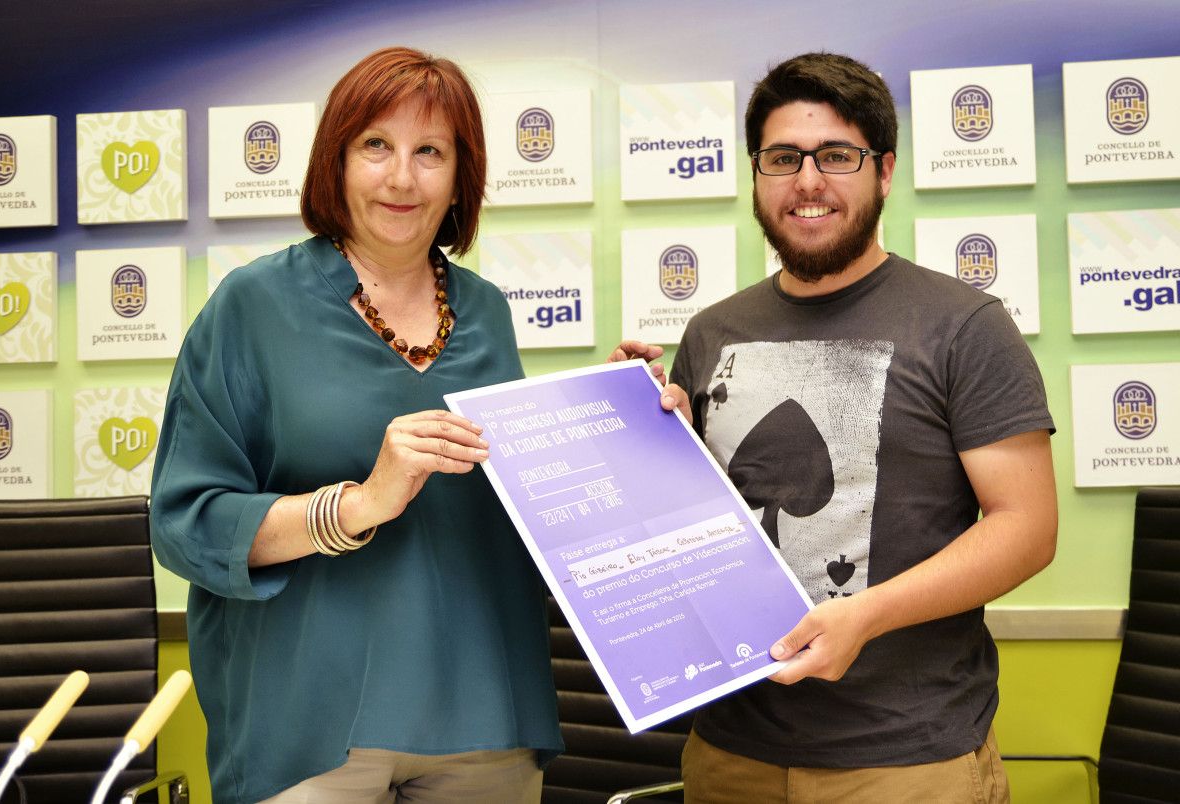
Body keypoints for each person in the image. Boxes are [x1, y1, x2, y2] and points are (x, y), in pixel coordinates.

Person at [619, 53, 1057, 803]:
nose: (808, 181)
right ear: (756, 175)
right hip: (731, 751)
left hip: (907, 758)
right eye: (784, 158)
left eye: (838, 156)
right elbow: (692, 537)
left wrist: (868, 614)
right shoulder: (709, 332)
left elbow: (1027, 527)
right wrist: (648, 441)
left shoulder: (965, 327)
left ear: (884, 171)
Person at [150, 47, 562, 804]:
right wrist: (358, 505)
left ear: (459, 177)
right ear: (335, 161)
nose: (401, 177)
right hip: (310, 727)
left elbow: (513, 502)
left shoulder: (487, 312)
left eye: (429, 152)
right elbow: (186, 524)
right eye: (376, 146)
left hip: (485, 720)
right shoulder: (252, 306)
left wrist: (611, 421)